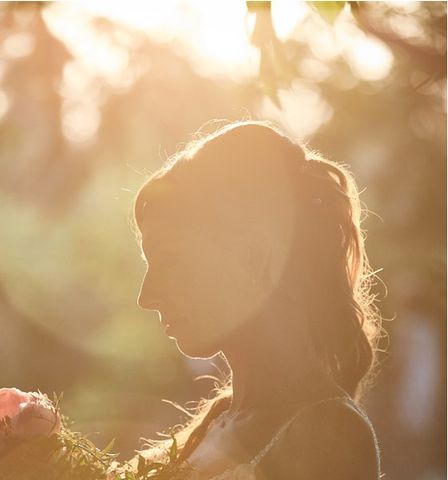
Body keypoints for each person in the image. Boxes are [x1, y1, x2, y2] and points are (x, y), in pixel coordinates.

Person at [130, 121, 384, 480]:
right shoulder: (219, 420)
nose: (147, 296)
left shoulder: (329, 434)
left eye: (169, 261)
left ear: (254, 256)